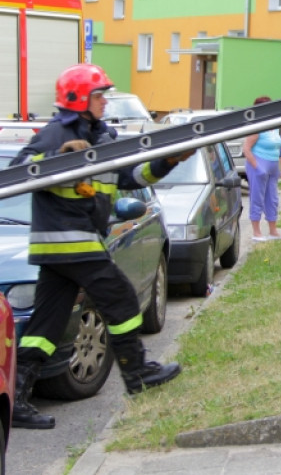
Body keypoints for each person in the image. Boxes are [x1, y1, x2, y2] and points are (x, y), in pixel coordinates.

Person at [11, 64, 194, 430]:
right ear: (78, 99)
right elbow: (20, 170)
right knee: (122, 299)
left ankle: (15, 398)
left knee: (45, 328)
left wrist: (168, 160)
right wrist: (60, 155)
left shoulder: (103, 138)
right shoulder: (55, 133)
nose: (105, 102)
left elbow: (132, 176)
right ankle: (138, 372)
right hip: (69, 241)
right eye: (99, 96)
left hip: (70, 246)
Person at [243, 96, 281, 241]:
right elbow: (246, 149)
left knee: (272, 199)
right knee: (257, 198)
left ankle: (273, 230)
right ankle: (256, 231)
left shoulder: (274, 126)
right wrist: (257, 167)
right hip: (259, 165)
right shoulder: (257, 127)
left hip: (273, 166)